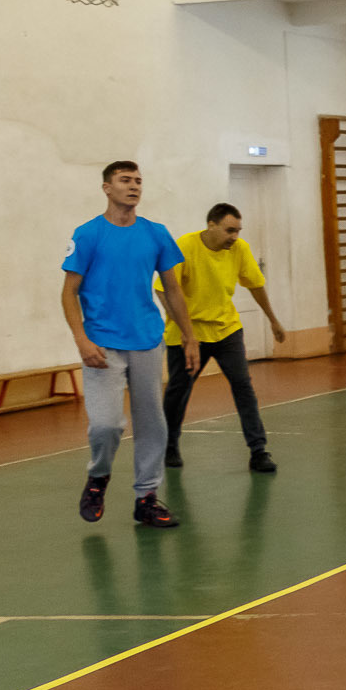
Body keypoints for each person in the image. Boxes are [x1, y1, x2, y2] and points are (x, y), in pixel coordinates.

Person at [61, 160, 199, 528]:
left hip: (148, 341)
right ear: (107, 188)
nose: (134, 186)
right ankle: (99, 477)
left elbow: (172, 288)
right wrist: (81, 339)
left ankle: (147, 497)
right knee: (106, 424)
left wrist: (189, 336)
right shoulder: (89, 234)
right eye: (125, 180)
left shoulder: (155, 233)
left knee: (152, 422)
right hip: (103, 344)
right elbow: (68, 292)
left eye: (138, 180)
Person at [161, 203, 287, 474]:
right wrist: (186, 332)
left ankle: (258, 451)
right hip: (188, 333)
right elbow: (163, 290)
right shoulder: (185, 246)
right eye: (230, 230)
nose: (235, 236)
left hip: (226, 330)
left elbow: (255, 284)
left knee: (243, 387)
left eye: (238, 231)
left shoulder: (239, 250)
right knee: (178, 391)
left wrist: (273, 320)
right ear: (211, 225)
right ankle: (169, 444)